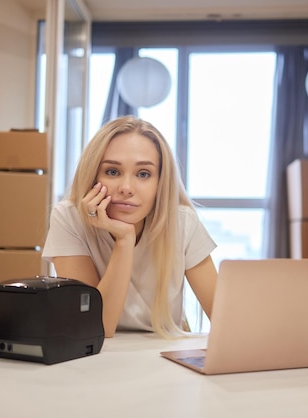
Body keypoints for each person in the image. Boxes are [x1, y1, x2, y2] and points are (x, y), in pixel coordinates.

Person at [42, 115, 218, 338]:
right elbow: (95, 326)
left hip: (162, 353)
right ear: (93, 175)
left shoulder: (182, 222)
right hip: (97, 356)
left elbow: (226, 320)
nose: (126, 188)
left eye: (143, 174)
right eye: (112, 172)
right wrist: (124, 239)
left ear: (160, 183)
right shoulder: (69, 218)